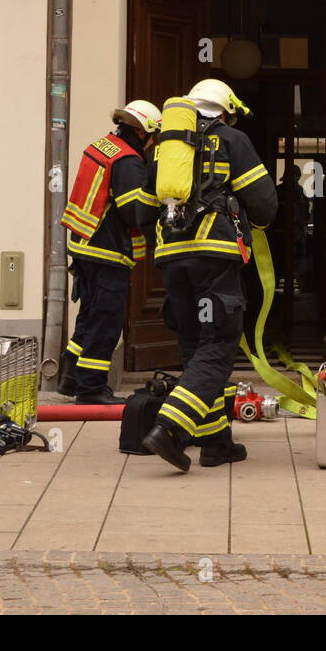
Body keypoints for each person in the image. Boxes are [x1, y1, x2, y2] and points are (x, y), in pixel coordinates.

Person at [140, 79, 278, 473]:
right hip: (214, 256)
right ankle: (170, 430)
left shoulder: (166, 149)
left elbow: (143, 208)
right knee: (218, 344)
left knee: (194, 346)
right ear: (225, 111)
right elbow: (265, 204)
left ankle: (216, 442)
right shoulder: (232, 140)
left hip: (171, 256)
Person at [57, 99, 162, 405]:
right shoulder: (128, 161)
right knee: (106, 321)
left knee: (89, 316)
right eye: (154, 136)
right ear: (143, 132)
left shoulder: (103, 146)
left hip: (85, 247)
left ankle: (71, 379)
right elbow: (133, 212)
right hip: (107, 252)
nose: (154, 143)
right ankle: (90, 389)